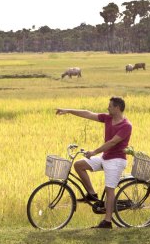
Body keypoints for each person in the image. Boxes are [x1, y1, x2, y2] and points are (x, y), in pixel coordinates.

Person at [55, 96, 132, 229]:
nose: (107, 108)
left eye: (110, 106)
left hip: (116, 160)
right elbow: (87, 113)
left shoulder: (126, 126)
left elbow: (112, 142)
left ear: (117, 108)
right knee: (79, 165)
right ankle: (92, 194)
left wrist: (94, 152)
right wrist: (67, 110)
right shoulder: (108, 118)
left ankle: (107, 221)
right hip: (105, 157)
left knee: (110, 190)